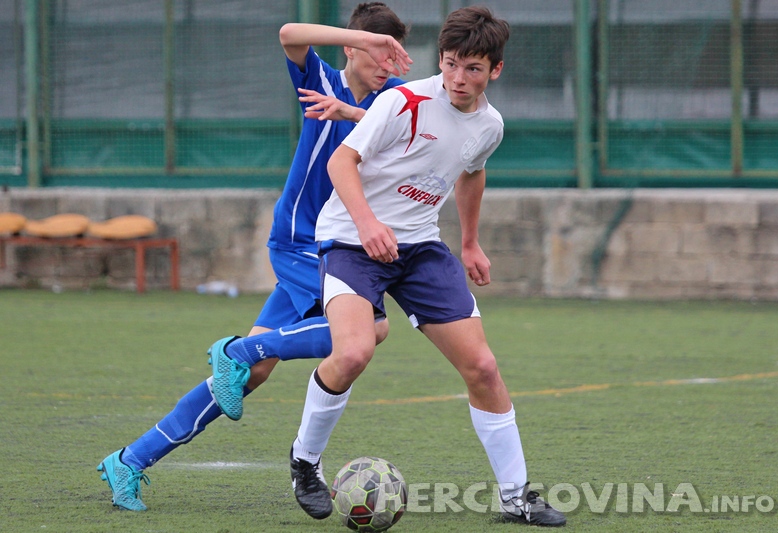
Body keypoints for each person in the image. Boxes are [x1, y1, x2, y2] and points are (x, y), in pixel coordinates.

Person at [96, 3, 411, 512]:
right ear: (352, 48)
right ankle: (236, 351)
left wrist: (366, 103)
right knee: (370, 329)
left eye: (392, 55)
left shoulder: (392, 101)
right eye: (376, 52)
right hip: (298, 242)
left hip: (341, 250)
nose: (385, 64)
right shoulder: (322, 81)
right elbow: (289, 32)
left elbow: (411, 133)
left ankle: (130, 460)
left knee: (254, 373)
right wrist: (357, 38)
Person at [283, 6, 566, 527]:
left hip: (419, 249)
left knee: (482, 367)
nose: (460, 78)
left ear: (495, 71)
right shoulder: (404, 99)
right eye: (452, 64)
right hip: (350, 241)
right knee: (353, 353)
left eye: (473, 69)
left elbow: (471, 175)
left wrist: (472, 243)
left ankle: (515, 497)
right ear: (441, 59)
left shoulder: (490, 125)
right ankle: (304, 462)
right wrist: (367, 223)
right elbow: (339, 162)